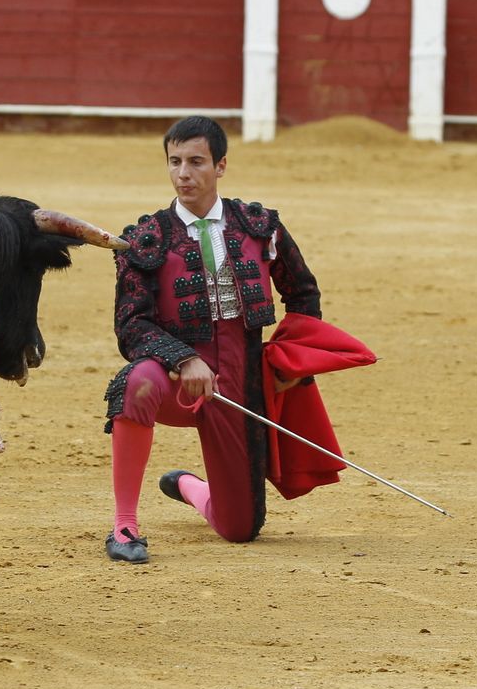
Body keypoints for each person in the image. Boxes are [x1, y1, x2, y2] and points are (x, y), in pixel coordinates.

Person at [101, 116, 323, 564]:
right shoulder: (145, 239)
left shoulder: (260, 226)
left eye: (196, 162)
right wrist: (183, 359)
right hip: (173, 377)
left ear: (220, 166)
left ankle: (187, 486)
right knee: (135, 384)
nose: (184, 173)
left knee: (240, 528)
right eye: (175, 162)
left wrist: (290, 367)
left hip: (241, 379)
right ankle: (125, 525)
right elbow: (131, 324)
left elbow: (303, 295)